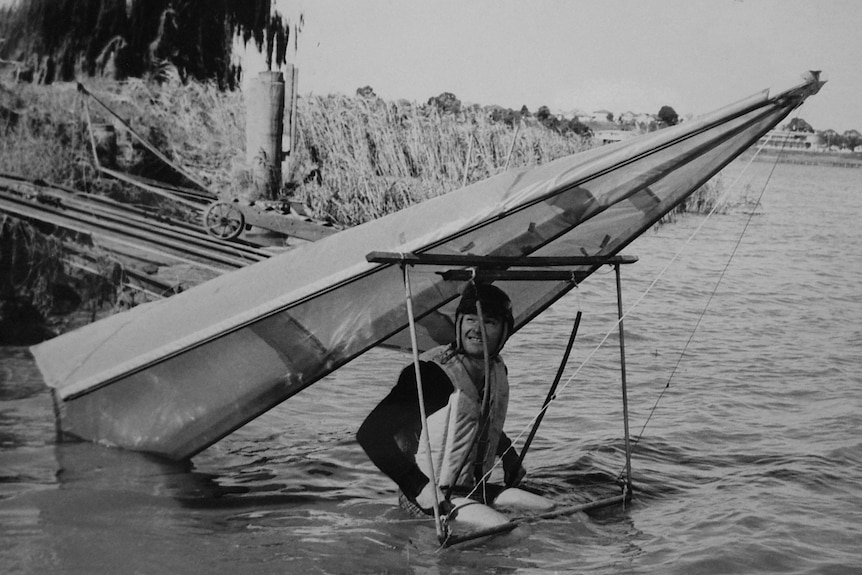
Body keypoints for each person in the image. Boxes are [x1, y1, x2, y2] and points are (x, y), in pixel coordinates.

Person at [357, 283, 554, 523]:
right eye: (471, 319)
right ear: (459, 323)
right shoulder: (432, 375)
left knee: (553, 511)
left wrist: (509, 457)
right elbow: (371, 434)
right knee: (511, 530)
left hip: (473, 489)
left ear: (505, 331)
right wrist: (418, 487)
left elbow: (475, 422)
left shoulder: (495, 369)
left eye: (489, 322)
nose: (478, 330)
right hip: (431, 496)